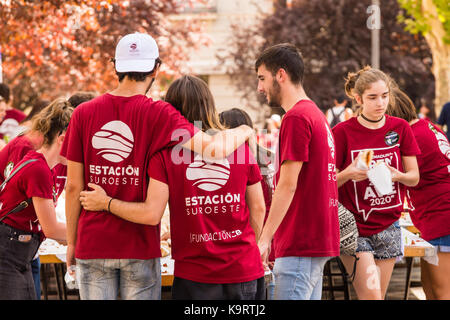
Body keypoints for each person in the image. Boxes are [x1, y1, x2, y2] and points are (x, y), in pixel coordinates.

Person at [61, 32, 254, 300]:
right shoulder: (161, 114)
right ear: (156, 69)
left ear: (116, 66)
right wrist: (245, 128)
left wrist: (72, 241)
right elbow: (216, 149)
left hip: (93, 242)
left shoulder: (83, 113)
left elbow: (72, 187)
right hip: (139, 245)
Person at [255, 43, 340, 300]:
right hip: (316, 240)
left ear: (281, 75)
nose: (259, 87)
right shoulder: (315, 114)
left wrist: (264, 239)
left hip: (300, 241)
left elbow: (288, 184)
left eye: (262, 78)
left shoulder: (296, 118)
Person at [333, 66, 421, 300]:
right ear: (358, 98)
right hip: (355, 227)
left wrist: (398, 175)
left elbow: (414, 177)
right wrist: (349, 173)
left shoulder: (400, 128)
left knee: (376, 297)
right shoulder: (342, 132)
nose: (380, 102)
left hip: (389, 224)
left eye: (385, 96)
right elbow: (325, 184)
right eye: (372, 97)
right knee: (371, 297)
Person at [0, 97, 72, 300]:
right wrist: (97, 235)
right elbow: (52, 229)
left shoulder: (41, 163)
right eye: (78, 141)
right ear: (62, 138)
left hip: (18, 252)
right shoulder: (38, 168)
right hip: (8, 252)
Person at [386, 87, 450, 299]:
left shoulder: (413, 136)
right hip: (434, 217)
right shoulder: (426, 127)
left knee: (441, 292)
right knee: (429, 288)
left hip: (441, 218)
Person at [220, 107, 276, 299]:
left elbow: (254, 209)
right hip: (274, 241)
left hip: (250, 249)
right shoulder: (270, 157)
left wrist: (259, 245)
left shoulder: (233, 161)